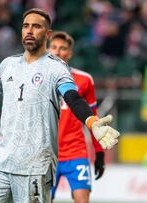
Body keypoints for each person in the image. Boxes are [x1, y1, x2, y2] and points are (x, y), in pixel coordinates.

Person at [0, 8, 120, 203]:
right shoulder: (7, 65)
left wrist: (93, 122)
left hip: (35, 165)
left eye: (36, 26)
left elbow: (73, 98)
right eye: (26, 26)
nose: (29, 31)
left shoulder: (56, 68)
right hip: (1, 161)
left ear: (47, 34)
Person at [48, 31, 105, 203]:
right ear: (47, 50)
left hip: (76, 152)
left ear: (70, 53)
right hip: (46, 154)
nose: (57, 52)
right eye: (54, 47)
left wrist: (99, 153)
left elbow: (93, 118)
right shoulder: (38, 79)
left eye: (63, 48)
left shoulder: (84, 80)